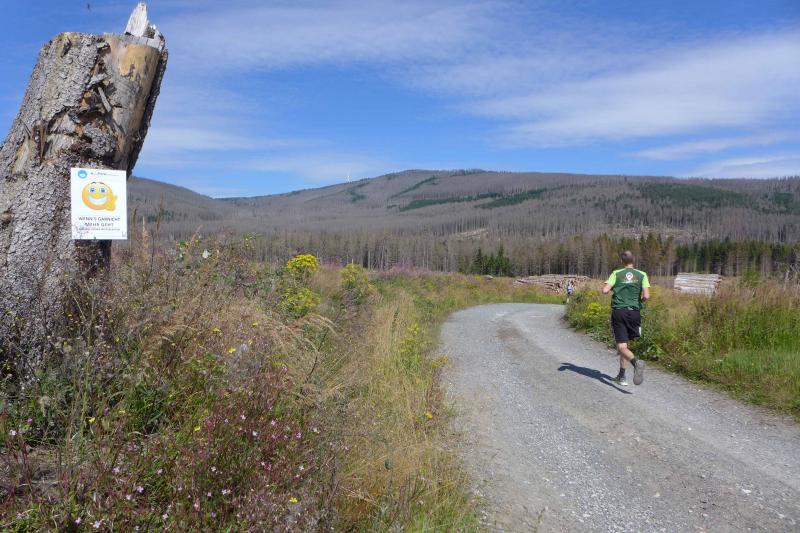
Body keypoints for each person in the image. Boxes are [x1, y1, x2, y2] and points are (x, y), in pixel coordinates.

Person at [602, 251, 650, 386]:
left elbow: (605, 290)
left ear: (621, 261)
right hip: (635, 313)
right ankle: (621, 376)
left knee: (621, 347)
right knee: (626, 345)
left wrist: (613, 288)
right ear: (633, 260)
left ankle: (636, 362)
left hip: (619, 312)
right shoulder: (642, 274)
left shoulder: (616, 273)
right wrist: (639, 302)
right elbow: (646, 296)